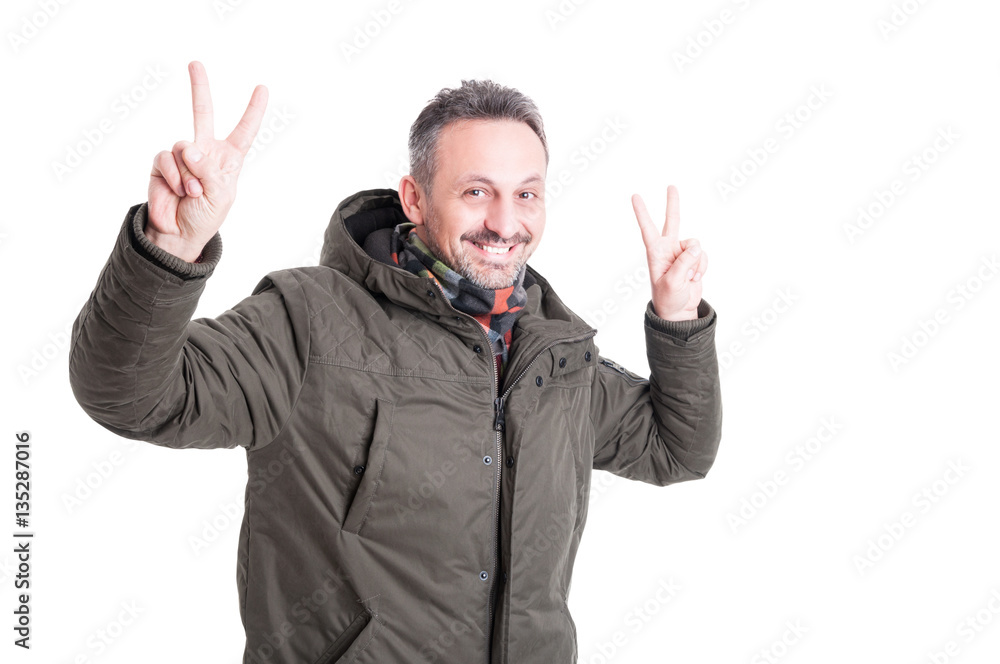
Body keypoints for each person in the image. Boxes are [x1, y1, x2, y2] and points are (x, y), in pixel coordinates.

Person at [69, 61, 722, 664]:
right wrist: (170, 249)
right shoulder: (308, 320)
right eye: (475, 192)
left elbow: (676, 450)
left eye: (526, 194)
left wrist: (678, 319)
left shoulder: (553, 355)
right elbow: (129, 395)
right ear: (413, 198)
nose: (504, 221)